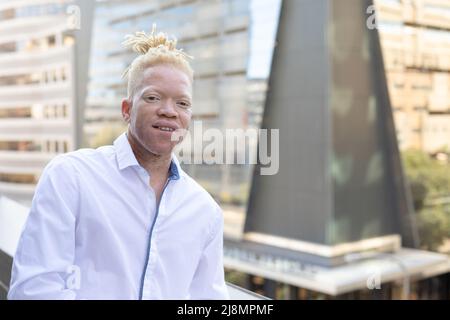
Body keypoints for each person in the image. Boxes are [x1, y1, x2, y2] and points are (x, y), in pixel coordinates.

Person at [8, 25, 229, 300]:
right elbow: (33, 291)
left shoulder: (205, 212)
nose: (169, 111)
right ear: (127, 109)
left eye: (182, 103)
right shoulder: (70, 177)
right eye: (153, 97)